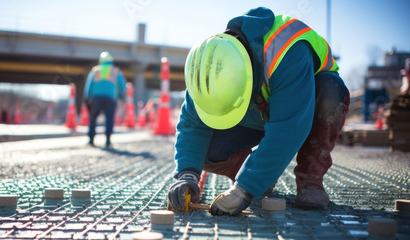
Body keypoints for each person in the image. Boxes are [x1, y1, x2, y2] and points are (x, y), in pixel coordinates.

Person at [168, 7, 350, 215]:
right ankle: (257, 174)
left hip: (304, 105)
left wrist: (244, 189)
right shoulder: (207, 67)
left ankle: (310, 180)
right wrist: (187, 174)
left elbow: (289, 129)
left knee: (330, 92)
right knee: (206, 151)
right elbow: (192, 126)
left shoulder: (287, 49)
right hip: (259, 108)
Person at [84, 51, 126, 148]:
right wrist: (121, 96)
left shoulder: (95, 70)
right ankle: (108, 141)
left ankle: (91, 140)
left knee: (93, 118)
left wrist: (87, 98)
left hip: (96, 98)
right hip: (111, 98)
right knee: (109, 119)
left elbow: (89, 86)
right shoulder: (116, 71)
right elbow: (122, 86)